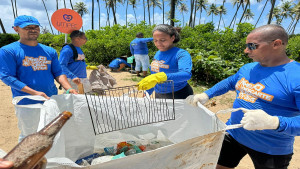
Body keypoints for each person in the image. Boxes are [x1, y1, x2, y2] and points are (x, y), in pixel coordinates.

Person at [186, 24, 299, 169]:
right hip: (233, 133)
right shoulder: (248, 68)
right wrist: (206, 94)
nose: (246, 51)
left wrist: (274, 122)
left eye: (252, 46)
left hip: (271, 147)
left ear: (276, 44)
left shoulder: (296, 77)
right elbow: (230, 82)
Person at [0, 15, 77, 142]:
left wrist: (69, 88)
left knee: (51, 133)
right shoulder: (8, 51)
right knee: (29, 135)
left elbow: (58, 72)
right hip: (27, 102)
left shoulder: (49, 51)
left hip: (51, 100)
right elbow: (7, 77)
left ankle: (46, 160)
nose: (33, 29)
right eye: (27, 27)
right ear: (16, 29)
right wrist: (35, 93)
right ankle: (26, 161)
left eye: (36, 27)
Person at [138, 24, 193, 99]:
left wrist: (163, 77)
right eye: (155, 40)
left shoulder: (181, 54)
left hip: (178, 94)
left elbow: (186, 74)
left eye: (163, 40)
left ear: (172, 38)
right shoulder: (158, 53)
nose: (158, 44)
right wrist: (148, 91)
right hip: (159, 94)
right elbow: (155, 75)